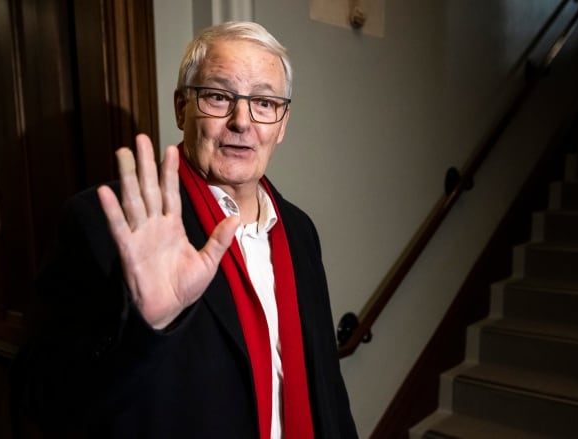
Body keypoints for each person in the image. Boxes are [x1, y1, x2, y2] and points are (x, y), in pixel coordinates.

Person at [18, 21, 357, 438]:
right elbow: (42, 399)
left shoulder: (300, 231)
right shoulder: (104, 223)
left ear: (282, 123)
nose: (241, 121)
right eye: (218, 96)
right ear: (181, 108)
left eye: (264, 103)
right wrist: (146, 330)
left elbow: (326, 384)